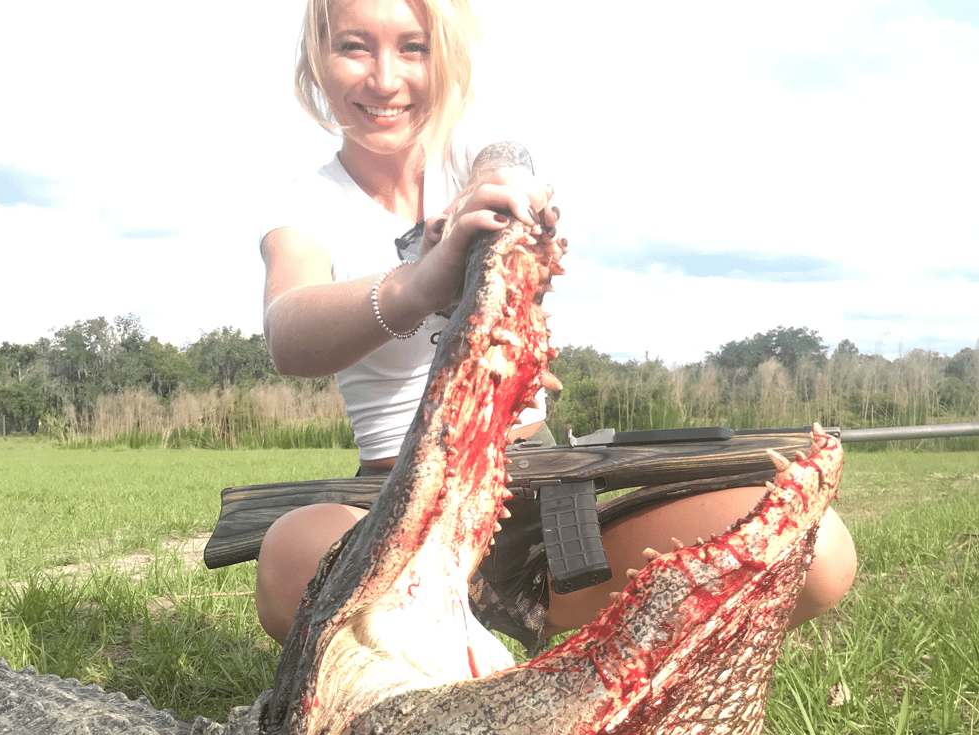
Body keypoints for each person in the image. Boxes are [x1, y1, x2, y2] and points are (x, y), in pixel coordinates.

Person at [255, 0, 857, 646]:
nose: (384, 78)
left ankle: (579, 669)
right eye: (354, 47)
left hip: (539, 495)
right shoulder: (307, 203)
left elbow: (509, 159)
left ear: (448, 55)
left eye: (413, 47)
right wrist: (416, 282)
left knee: (816, 552)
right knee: (293, 558)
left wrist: (497, 193)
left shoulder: (472, 157)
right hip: (394, 510)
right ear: (317, 57)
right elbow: (289, 333)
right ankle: (443, 655)